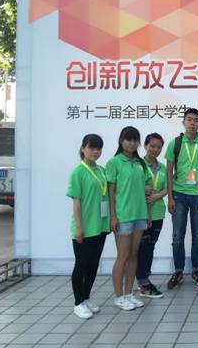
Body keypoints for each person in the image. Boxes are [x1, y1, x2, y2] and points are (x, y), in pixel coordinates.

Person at [165, 108, 198, 289]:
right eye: (189, 119)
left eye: (196, 120)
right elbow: (168, 173)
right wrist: (170, 198)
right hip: (179, 195)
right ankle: (178, 271)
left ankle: (196, 270)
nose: (192, 123)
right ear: (183, 122)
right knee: (177, 237)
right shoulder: (175, 143)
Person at [107, 126, 152, 311]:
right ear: (121, 141)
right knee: (123, 256)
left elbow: (147, 188)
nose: (132, 143)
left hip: (139, 214)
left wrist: (148, 213)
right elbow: (110, 192)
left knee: (134, 255)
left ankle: (128, 294)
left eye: (135, 140)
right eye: (129, 139)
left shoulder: (141, 163)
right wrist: (113, 216)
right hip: (123, 216)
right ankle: (118, 296)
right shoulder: (114, 162)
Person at [66, 134, 109, 319]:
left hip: (100, 225)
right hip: (84, 227)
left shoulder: (101, 170)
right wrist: (78, 227)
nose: (95, 152)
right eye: (92, 148)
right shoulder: (78, 172)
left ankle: (86, 297)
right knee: (81, 265)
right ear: (83, 148)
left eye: (98, 149)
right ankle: (78, 303)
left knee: (93, 264)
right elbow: (76, 202)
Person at [136, 133, 168, 298]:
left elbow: (167, 187)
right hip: (141, 213)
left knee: (150, 247)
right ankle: (143, 282)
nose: (155, 149)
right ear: (145, 146)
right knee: (141, 249)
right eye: (152, 146)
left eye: (159, 147)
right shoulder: (138, 165)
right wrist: (144, 191)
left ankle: (144, 279)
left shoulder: (162, 167)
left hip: (157, 213)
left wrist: (156, 196)